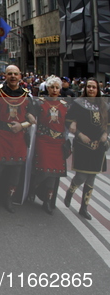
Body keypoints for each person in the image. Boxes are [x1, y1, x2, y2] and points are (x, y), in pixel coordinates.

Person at [0, 65, 36, 213]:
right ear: (5, 75)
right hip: (0, 135)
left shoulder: (28, 96)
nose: (13, 76)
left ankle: (9, 198)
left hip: (19, 137)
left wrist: (22, 125)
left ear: (20, 76)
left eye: (16, 74)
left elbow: (33, 119)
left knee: (16, 169)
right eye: (10, 74)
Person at [64, 78, 109, 220]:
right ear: (85, 89)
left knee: (91, 178)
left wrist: (105, 134)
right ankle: (70, 191)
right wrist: (79, 134)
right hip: (83, 144)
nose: (91, 89)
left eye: (93, 87)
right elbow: (68, 120)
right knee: (81, 176)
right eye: (88, 87)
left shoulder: (104, 106)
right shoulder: (78, 104)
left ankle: (84, 207)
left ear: (98, 90)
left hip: (98, 146)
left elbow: (108, 123)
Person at [30, 76, 69, 214]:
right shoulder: (40, 103)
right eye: (52, 87)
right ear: (47, 88)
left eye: (57, 87)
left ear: (60, 89)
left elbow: (68, 124)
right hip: (43, 140)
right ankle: (32, 189)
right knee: (43, 169)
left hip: (58, 142)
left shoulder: (65, 105)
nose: (54, 90)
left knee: (54, 173)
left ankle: (47, 201)